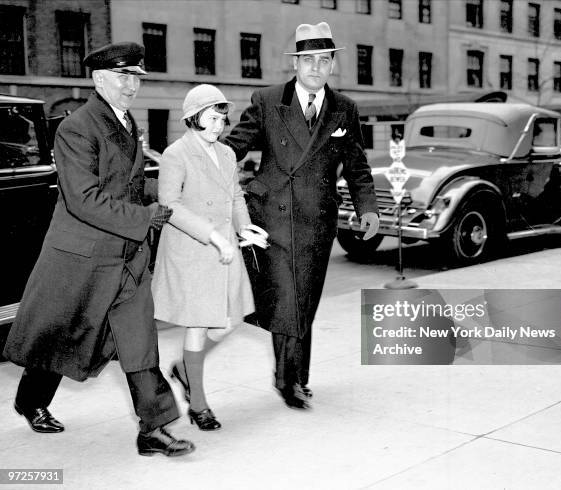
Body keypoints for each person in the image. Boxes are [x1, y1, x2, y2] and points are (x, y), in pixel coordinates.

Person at [2, 42, 195, 457]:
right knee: (60, 337)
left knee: (139, 340)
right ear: (99, 79)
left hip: (125, 256)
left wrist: (172, 192)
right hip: (82, 256)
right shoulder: (77, 128)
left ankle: (153, 429)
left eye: (135, 77)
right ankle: (31, 401)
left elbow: (126, 183)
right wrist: (146, 217)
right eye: (122, 77)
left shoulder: (127, 124)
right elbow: (83, 198)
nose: (130, 86)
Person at [223, 22, 380, 409]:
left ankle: (298, 377)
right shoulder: (267, 100)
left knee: (304, 300)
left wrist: (369, 208)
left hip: (318, 219)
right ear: (295, 63)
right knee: (288, 299)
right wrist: (199, 158)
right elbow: (234, 147)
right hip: (273, 218)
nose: (315, 67)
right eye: (307, 59)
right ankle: (288, 381)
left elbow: (356, 165)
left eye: (323, 60)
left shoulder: (345, 108)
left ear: (331, 66)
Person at [152, 84, 268, 430]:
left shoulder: (228, 154)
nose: (220, 126)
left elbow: (234, 196)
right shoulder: (176, 154)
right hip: (193, 249)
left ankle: (186, 369)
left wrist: (245, 228)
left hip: (225, 249)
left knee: (231, 320)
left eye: (222, 119)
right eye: (213, 118)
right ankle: (198, 405)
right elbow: (170, 206)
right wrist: (214, 235)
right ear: (194, 118)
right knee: (200, 324)